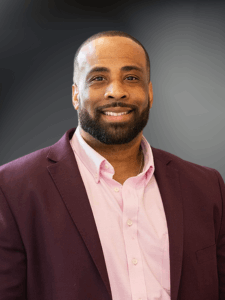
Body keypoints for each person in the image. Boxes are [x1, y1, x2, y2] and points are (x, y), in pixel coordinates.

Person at [0, 30, 224, 300]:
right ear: (75, 95)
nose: (116, 91)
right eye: (98, 78)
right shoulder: (13, 189)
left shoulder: (207, 187)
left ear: (149, 93)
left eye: (131, 78)